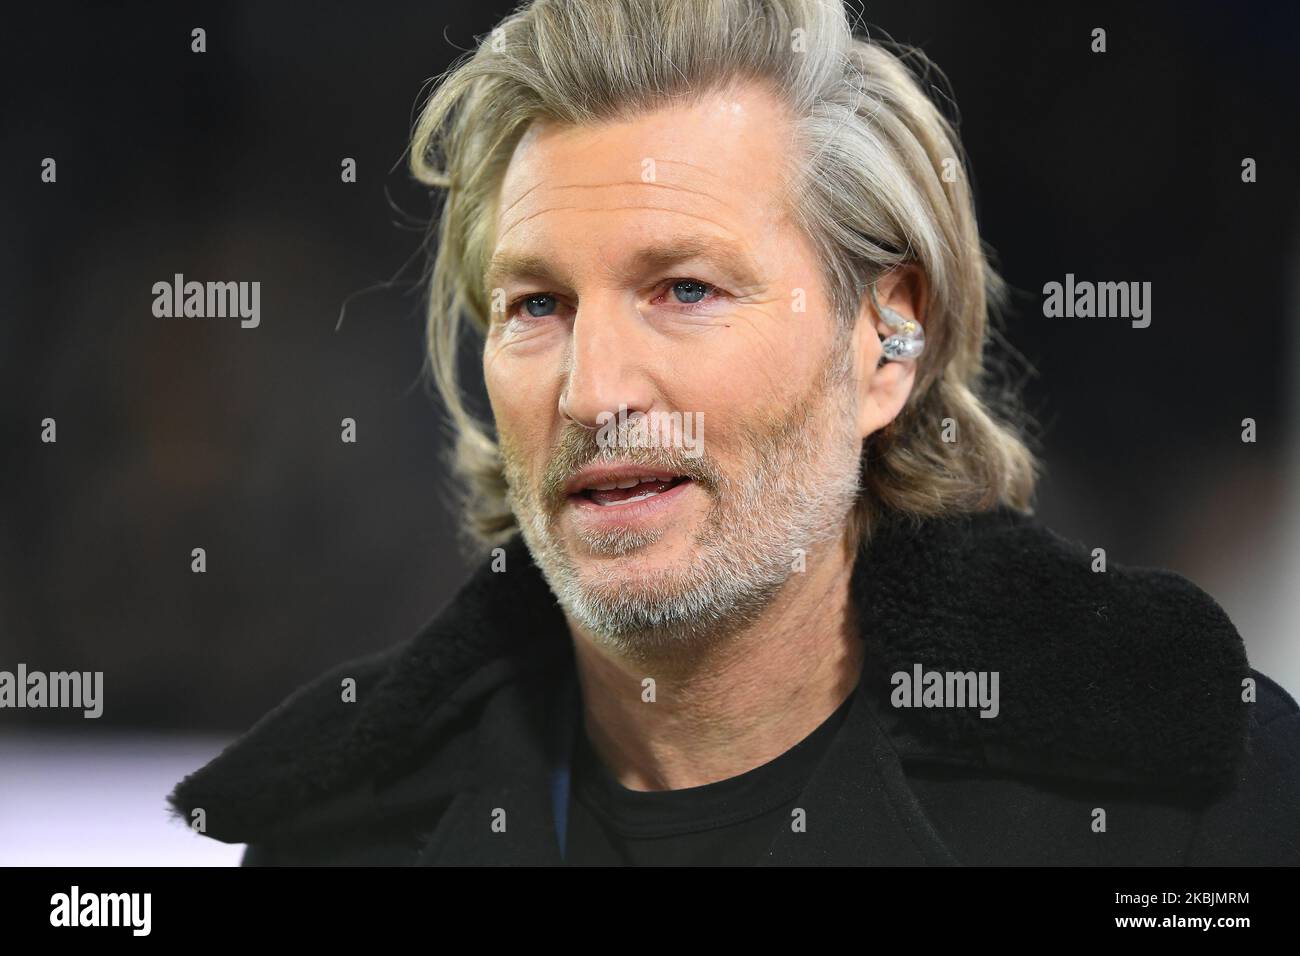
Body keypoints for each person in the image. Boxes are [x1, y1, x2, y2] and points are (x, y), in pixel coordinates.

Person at [168, 0, 1300, 865]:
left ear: (882, 342)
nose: (594, 386)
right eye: (537, 306)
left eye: (686, 289)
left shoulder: (1190, 793)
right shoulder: (340, 838)